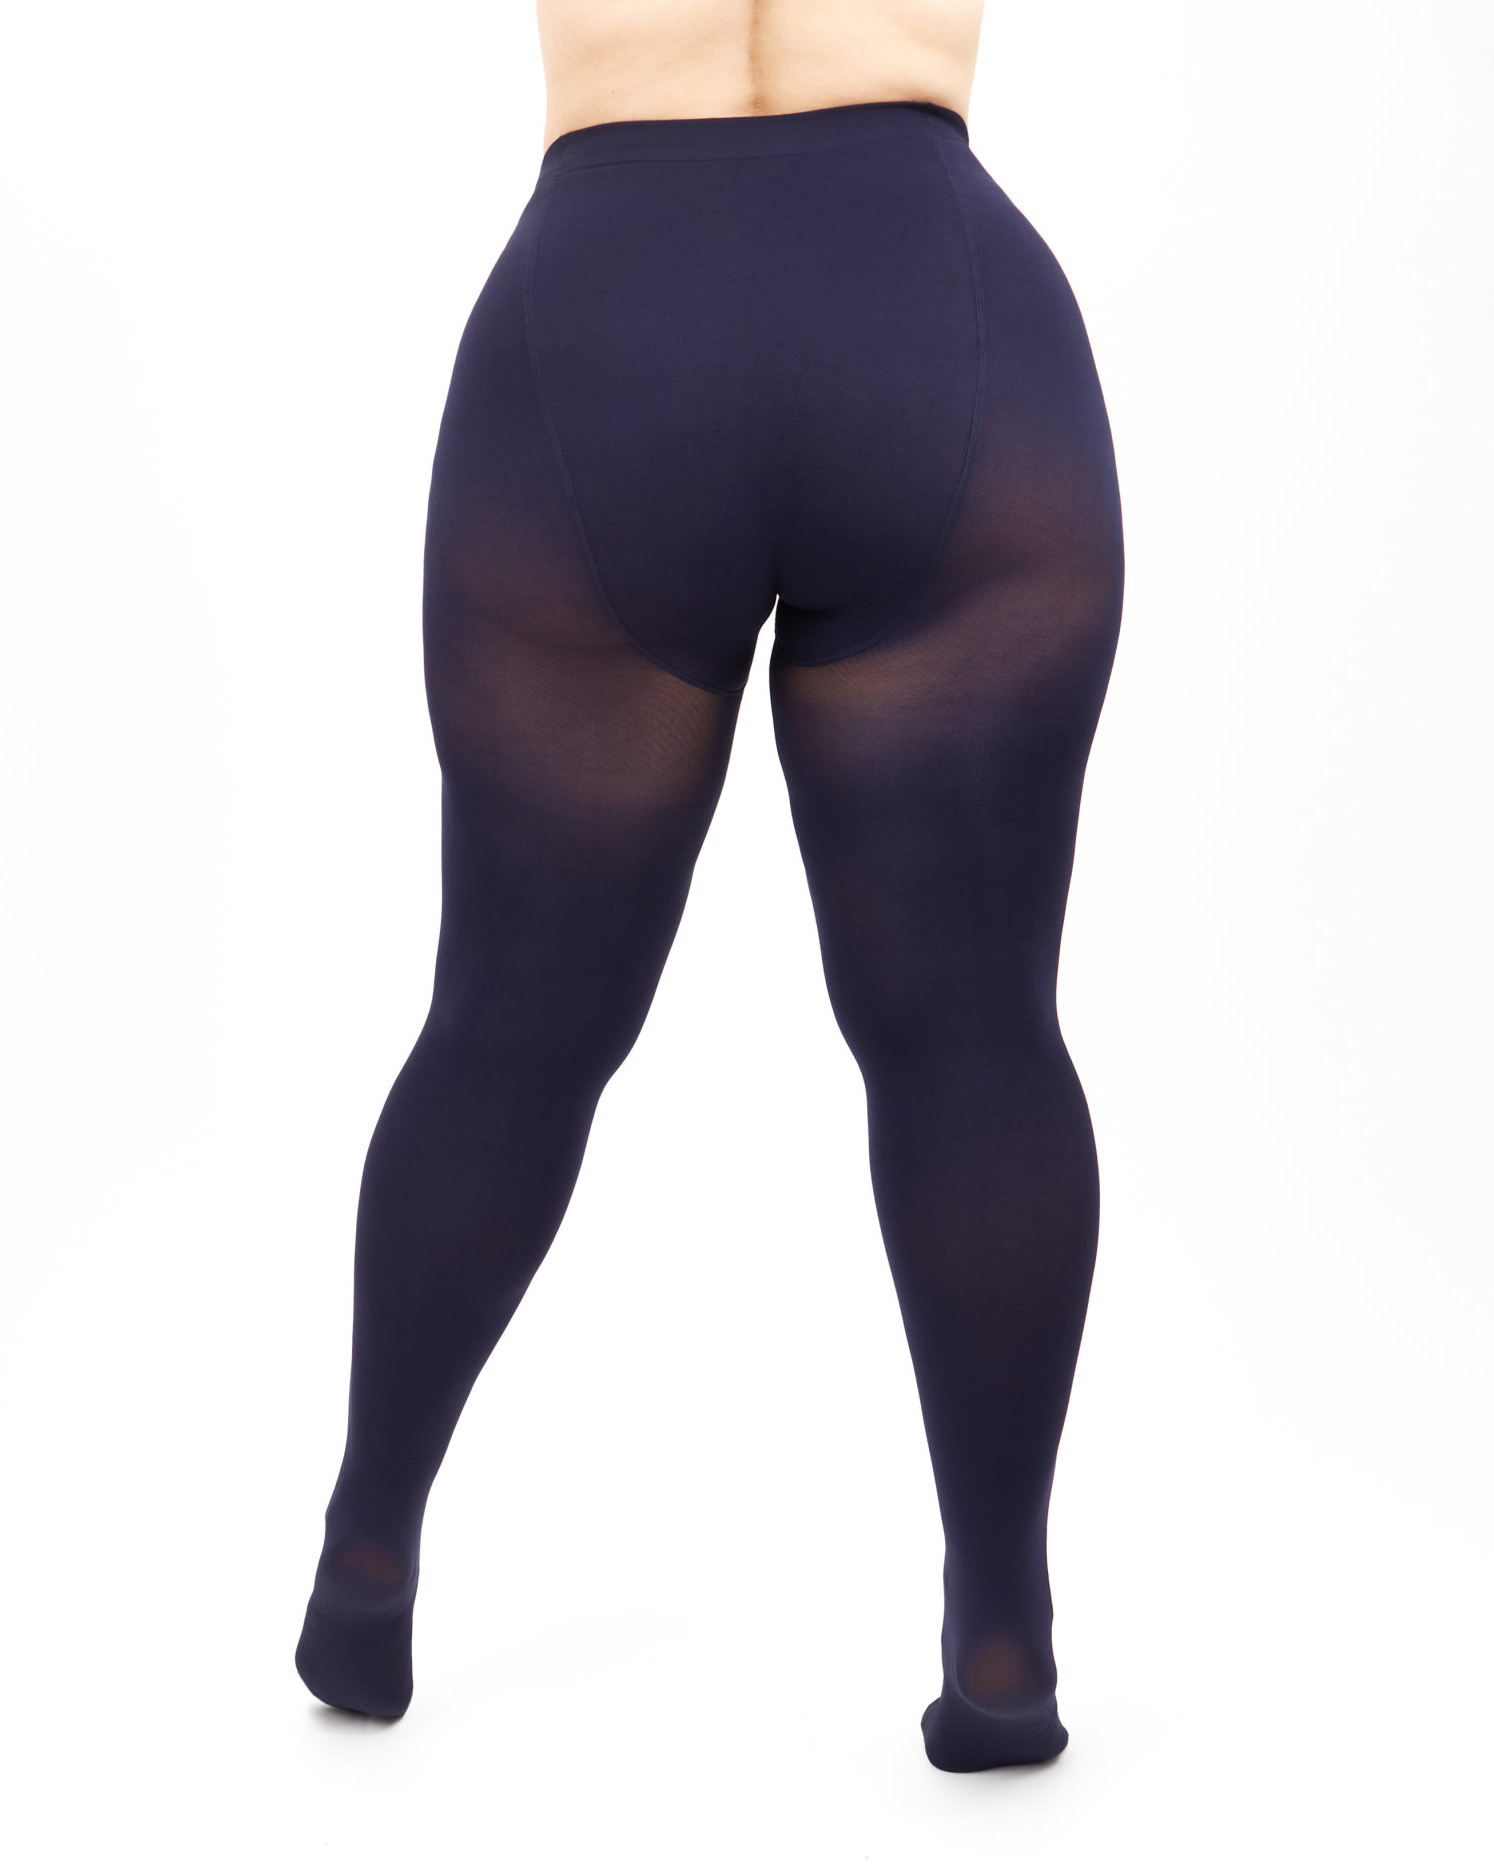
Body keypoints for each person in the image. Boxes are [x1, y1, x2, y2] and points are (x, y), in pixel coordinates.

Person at [296, 0, 1124, 1775]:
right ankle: (1003, 1640)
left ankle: (365, 1564)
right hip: (938, 311)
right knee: (977, 1040)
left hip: (605, 329)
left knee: (507, 1029)